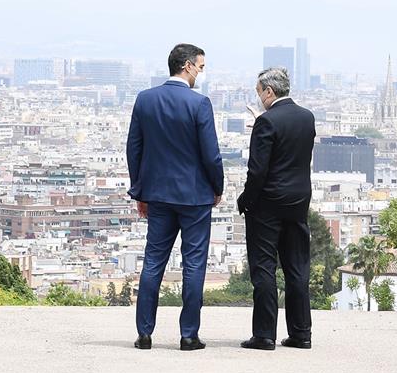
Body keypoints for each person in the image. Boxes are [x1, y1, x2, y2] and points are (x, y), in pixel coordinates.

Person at [127, 43, 224, 351]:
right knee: (193, 264)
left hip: (156, 195)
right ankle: (188, 335)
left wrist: (139, 190)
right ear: (186, 66)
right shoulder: (199, 104)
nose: (200, 73)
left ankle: (144, 333)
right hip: (194, 197)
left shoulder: (145, 100)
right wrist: (217, 187)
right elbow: (211, 155)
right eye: (200, 67)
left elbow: (134, 149)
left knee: (153, 261)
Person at [237, 66, 317, 351]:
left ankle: (264, 335)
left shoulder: (266, 122)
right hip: (298, 202)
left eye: (259, 92)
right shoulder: (307, 118)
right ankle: (301, 333)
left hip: (268, 205)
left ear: (269, 91)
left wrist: (245, 200)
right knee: (297, 268)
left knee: (264, 268)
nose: (258, 97)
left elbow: (257, 171)